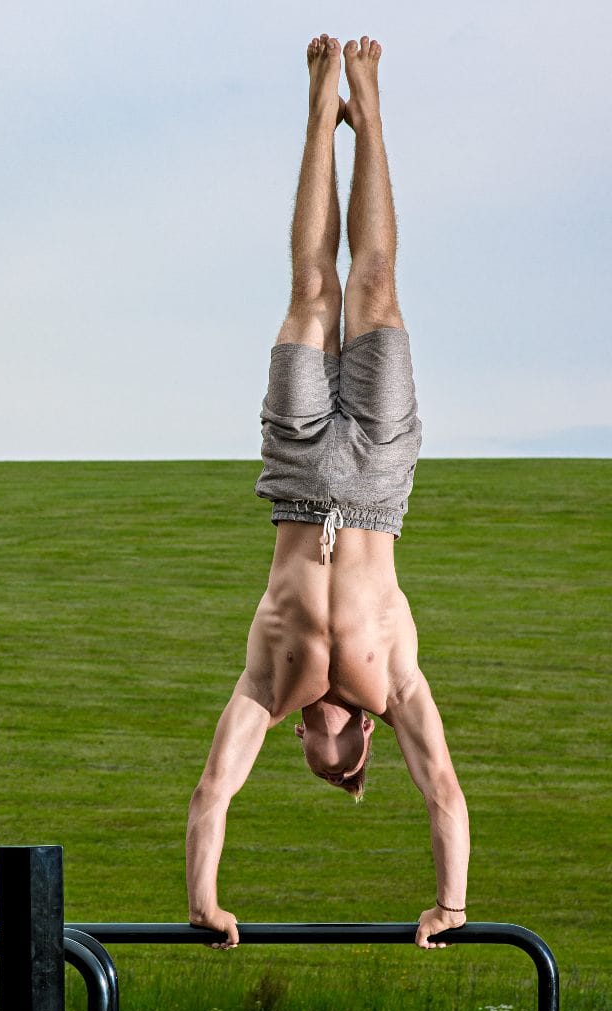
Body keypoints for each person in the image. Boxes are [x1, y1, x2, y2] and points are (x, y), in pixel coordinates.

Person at [185, 33, 470, 952]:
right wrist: (450, 902)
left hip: (300, 478)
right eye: (331, 767)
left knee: (313, 290)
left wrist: (205, 898)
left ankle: (321, 109)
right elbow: (445, 791)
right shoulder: (397, 685)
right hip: (380, 483)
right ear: (354, 750)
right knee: (375, 287)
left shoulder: (268, 687)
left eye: (313, 764)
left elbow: (213, 790)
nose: (317, 760)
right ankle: (370, 111)